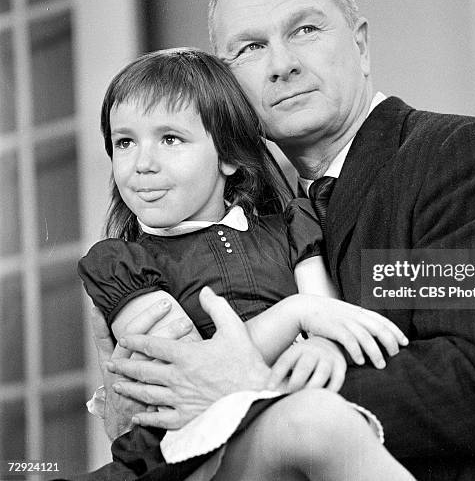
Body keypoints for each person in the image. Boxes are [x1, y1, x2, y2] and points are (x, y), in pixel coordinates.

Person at [103, 0, 475, 480]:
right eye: (250, 48)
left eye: (305, 30)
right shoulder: (255, 222)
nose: (282, 64)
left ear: (360, 45)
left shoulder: (467, 158)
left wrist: (254, 390)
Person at [78, 47, 414, 481]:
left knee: (324, 421)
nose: (142, 163)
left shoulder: (291, 226)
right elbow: (193, 370)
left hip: (276, 423)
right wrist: (294, 314)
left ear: (228, 156)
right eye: (125, 142)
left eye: (170, 139)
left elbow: (329, 317)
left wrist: (322, 344)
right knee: (319, 422)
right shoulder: (120, 263)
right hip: (189, 449)